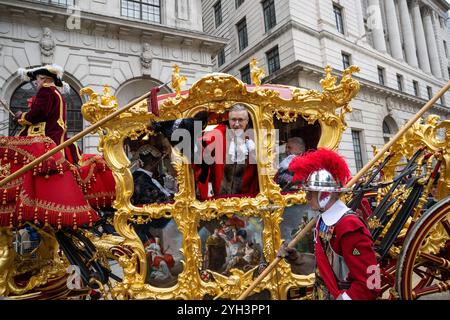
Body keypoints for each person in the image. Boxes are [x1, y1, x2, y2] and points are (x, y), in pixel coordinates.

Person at [277, 148, 380, 300]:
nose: (306, 197)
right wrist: (298, 258)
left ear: (325, 194)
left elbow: (371, 284)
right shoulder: (323, 219)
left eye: (310, 192)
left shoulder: (349, 227)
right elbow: (328, 265)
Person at [15, 64, 81, 164]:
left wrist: (21, 116)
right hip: (56, 135)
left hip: (47, 136)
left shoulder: (45, 91)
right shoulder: (56, 92)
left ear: (44, 80)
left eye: (37, 79)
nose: (36, 83)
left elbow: (38, 114)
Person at [195, 104, 259, 199]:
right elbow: (202, 143)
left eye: (240, 120)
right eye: (233, 120)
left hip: (248, 201)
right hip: (221, 201)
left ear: (247, 121)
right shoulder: (220, 133)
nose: (236, 124)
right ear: (229, 120)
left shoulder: (255, 138)